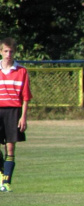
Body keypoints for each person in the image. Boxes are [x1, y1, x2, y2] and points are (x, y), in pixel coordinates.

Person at [0, 37, 32, 193]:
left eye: (11, 51)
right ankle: (2, 173)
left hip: (14, 111)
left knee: (10, 148)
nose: (8, 54)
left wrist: (23, 117)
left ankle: (6, 182)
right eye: (6, 51)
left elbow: (26, 97)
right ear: (1, 52)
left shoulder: (22, 71)